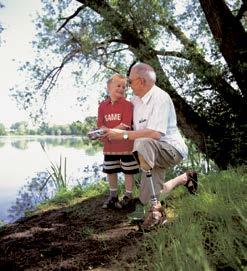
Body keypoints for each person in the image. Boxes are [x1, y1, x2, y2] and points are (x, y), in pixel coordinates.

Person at [104, 63, 198, 228]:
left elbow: (155, 134)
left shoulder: (160, 98)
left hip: (170, 149)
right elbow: (126, 125)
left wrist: (123, 135)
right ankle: (185, 178)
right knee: (151, 192)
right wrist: (107, 132)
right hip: (150, 151)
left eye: (130, 82)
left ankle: (156, 211)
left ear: (141, 81)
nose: (128, 86)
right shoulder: (134, 100)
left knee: (142, 143)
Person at [97, 73, 139, 209]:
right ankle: (113, 197)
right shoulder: (102, 106)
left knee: (128, 171)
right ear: (108, 87)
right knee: (110, 170)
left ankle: (128, 196)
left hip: (126, 145)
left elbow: (125, 124)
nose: (121, 89)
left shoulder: (127, 105)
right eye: (118, 86)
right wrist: (101, 132)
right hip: (109, 146)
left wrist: (109, 132)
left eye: (124, 87)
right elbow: (100, 124)